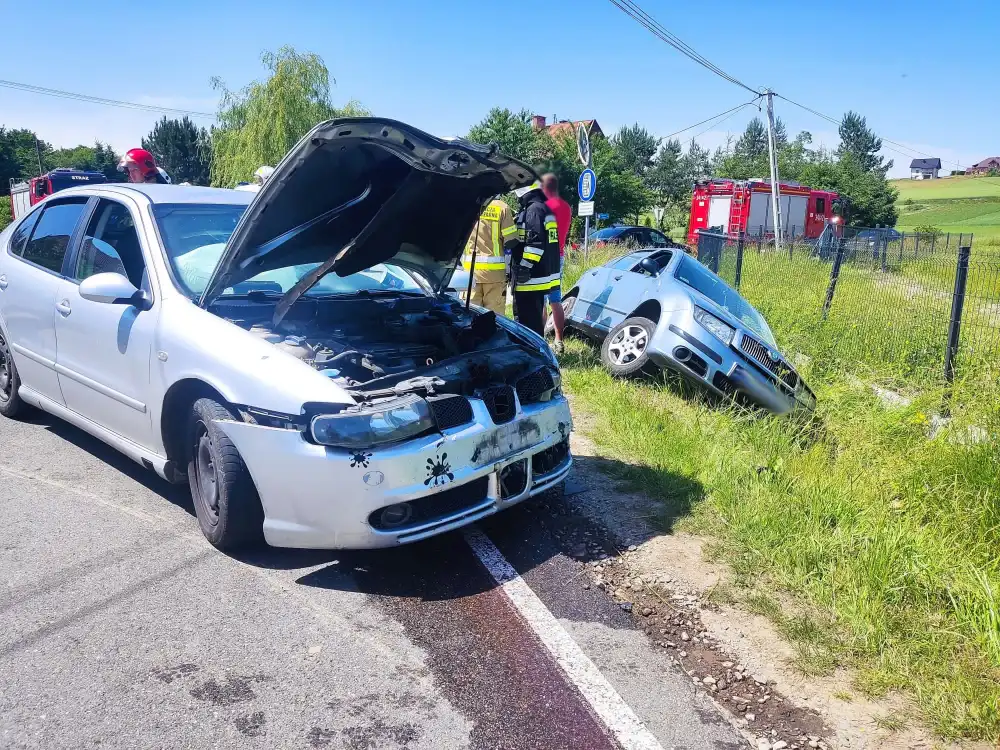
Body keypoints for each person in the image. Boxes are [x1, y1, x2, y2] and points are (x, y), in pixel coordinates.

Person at [511, 181, 561, 337]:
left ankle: (530, 355)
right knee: (535, 322)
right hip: (542, 278)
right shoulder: (546, 210)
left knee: (526, 325)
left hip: (530, 280)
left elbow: (535, 244)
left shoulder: (533, 211)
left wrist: (524, 267)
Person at [461, 198, 518, 315]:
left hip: (469, 274)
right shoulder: (502, 208)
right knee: (494, 319)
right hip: (495, 275)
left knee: (470, 316)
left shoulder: (467, 204)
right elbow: (511, 241)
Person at [541, 172, 571, 354]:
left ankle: (540, 339)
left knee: (540, 300)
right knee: (555, 299)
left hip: (545, 256)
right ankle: (559, 341)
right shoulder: (566, 207)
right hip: (559, 255)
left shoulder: (544, 207)